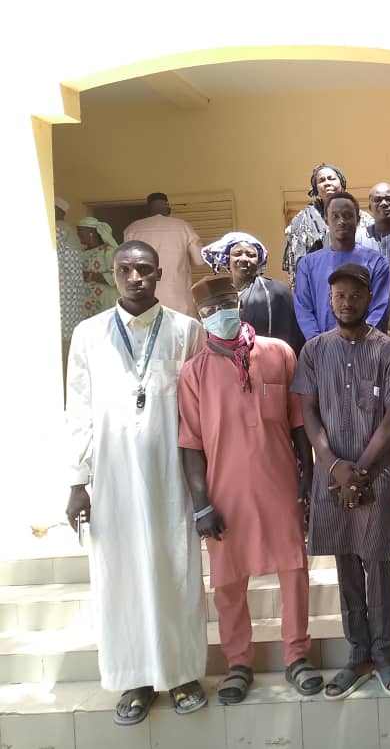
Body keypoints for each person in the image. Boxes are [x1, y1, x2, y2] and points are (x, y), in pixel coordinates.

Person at [65, 240, 208, 726]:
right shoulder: (88, 334)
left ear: (160, 273)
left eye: (144, 269)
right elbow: (78, 409)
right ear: (113, 273)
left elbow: (198, 408)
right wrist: (77, 481)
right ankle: (135, 679)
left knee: (177, 570)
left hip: (171, 478)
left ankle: (182, 674)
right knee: (121, 578)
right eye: (125, 269)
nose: (135, 278)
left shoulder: (186, 330)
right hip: (114, 481)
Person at [178, 274, 321, 704]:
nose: (218, 314)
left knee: (293, 570)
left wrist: (308, 476)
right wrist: (201, 505)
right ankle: (238, 663)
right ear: (200, 317)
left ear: (238, 303)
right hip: (225, 491)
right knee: (227, 581)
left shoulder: (279, 353)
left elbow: (298, 423)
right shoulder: (193, 372)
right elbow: (191, 444)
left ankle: (297, 656)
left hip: (280, 482)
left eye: (224, 303)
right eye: (208, 310)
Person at [292, 262, 390, 699]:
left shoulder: (389, 351)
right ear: (330, 300)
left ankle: (383, 653)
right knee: (345, 563)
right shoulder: (314, 351)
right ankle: (357, 653)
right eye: (339, 295)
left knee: (377, 564)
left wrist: (358, 470)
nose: (347, 302)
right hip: (331, 477)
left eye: (355, 295)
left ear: (369, 298)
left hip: (375, 476)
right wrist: (333, 466)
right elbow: (308, 413)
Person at [294, 192, 390, 340]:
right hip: (322, 348)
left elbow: (379, 309)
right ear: (326, 220)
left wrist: (359, 342)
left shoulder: (377, 263)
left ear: (358, 220)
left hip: (365, 347)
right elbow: (304, 311)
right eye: (335, 216)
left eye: (347, 215)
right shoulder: (307, 265)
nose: (341, 221)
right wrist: (320, 344)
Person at [202, 231, 305, 354]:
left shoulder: (276, 292)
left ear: (259, 261)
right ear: (228, 259)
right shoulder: (219, 297)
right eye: (237, 254)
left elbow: (294, 336)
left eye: (250, 255)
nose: (244, 259)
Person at [283, 164, 375, 288]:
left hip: (357, 284)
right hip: (318, 286)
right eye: (321, 180)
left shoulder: (363, 218)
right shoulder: (302, 221)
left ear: (341, 183)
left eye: (331, 178)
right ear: (316, 188)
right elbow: (296, 266)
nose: (327, 183)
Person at [124, 192, 204, 316]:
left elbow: (125, 265)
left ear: (149, 209)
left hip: (145, 300)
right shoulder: (183, 227)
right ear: (167, 207)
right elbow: (199, 260)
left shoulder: (132, 229)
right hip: (179, 300)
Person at [55, 197, 84, 365]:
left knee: (61, 347)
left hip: (62, 297)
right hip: (72, 297)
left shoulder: (58, 229)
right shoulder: (69, 230)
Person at [76, 216, 119, 317]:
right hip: (86, 300)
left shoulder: (108, 251)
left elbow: (118, 276)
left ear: (91, 232)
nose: (78, 234)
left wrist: (91, 276)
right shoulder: (81, 252)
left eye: (80, 231)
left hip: (105, 300)